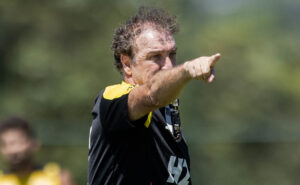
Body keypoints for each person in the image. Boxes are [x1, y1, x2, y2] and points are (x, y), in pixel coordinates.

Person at [88, 7, 221, 185]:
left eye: (172, 54)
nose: (168, 65)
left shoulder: (167, 113)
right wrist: (187, 70)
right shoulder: (114, 98)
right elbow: (152, 94)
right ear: (127, 64)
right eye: (155, 56)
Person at [0, 117, 75, 185]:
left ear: (34, 144)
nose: (13, 150)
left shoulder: (58, 177)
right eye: (5, 144)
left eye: (18, 143)